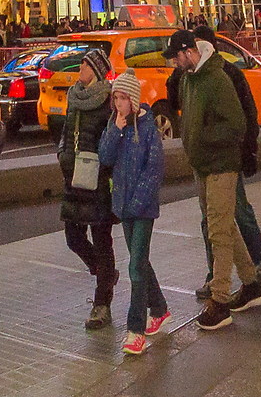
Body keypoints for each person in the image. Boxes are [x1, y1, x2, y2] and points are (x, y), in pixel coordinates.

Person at [171, 29, 260, 330]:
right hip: (203, 165)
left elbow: (237, 124)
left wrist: (204, 138)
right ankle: (251, 284)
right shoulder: (189, 79)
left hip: (222, 164)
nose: (174, 64)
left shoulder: (216, 78)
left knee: (218, 231)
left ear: (188, 52)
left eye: (175, 58)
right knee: (224, 225)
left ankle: (219, 300)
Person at [188, 23, 261, 291]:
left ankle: (257, 265)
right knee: (212, 219)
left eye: (199, 44)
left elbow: (245, 116)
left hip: (227, 158)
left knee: (238, 213)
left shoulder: (228, 73)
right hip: (205, 161)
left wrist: (248, 151)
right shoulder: (191, 77)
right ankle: (218, 273)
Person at [99, 75, 170, 355]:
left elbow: (153, 170)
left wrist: (137, 202)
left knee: (135, 266)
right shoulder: (115, 124)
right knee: (140, 261)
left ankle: (135, 329)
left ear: (134, 99)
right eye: (115, 99)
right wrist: (115, 130)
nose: (118, 104)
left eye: (123, 99)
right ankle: (160, 308)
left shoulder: (148, 128)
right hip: (123, 205)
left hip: (142, 209)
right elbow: (105, 157)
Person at [50, 51, 118, 329]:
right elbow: (66, 132)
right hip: (73, 177)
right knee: (73, 237)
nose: (81, 68)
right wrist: (63, 154)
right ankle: (106, 273)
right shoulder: (75, 97)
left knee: (102, 239)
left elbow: (112, 139)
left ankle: (102, 302)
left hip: (97, 179)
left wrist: (103, 166)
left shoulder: (107, 100)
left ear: (98, 71)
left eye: (86, 64)